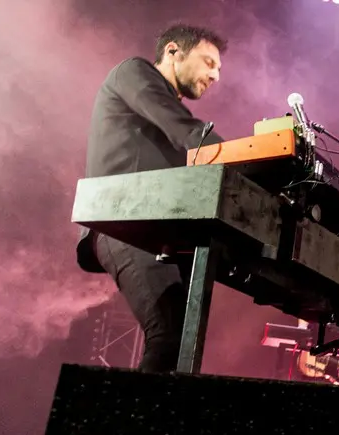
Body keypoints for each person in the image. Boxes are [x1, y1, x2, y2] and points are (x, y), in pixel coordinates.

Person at [76, 24, 227, 372]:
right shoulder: (133, 73)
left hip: (156, 231)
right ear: (173, 51)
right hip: (119, 222)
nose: (215, 75)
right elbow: (187, 130)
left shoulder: (170, 117)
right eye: (208, 62)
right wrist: (251, 157)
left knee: (184, 345)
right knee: (169, 337)